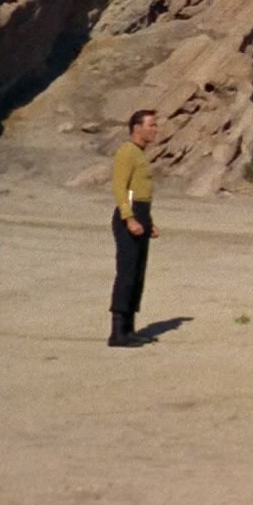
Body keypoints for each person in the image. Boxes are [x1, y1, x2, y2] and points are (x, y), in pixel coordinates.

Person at [108, 109, 160, 348]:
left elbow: (140, 191)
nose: (155, 129)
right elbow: (120, 188)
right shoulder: (127, 152)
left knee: (137, 274)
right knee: (127, 273)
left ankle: (129, 329)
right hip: (129, 215)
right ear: (137, 128)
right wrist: (129, 218)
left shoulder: (139, 154)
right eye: (151, 125)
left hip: (141, 213)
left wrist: (148, 221)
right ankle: (117, 332)